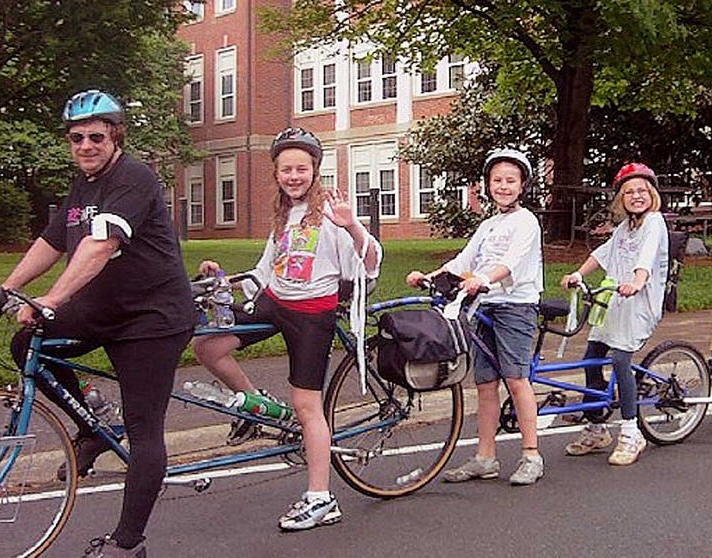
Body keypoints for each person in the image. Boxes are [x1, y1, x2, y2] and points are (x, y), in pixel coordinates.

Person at [0, 89, 195, 557]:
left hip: (152, 317)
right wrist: (7, 288)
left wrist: (53, 297)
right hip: (104, 308)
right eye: (76, 138)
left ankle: (127, 542)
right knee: (26, 346)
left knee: (144, 429)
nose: (85, 146)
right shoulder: (83, 184)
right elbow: (53, 240)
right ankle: (94, 427)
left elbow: (101, 245)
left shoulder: (133, 178)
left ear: (115, 136)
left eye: (95, 136)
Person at [192, 127, 381, 531]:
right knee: (207, 346)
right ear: (276, 174)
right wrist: (222, 278)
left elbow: (370, 263)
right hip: (275, 302)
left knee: (306, 406)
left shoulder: (332, 212)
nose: (293, 176)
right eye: (286, 169)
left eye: (301, 168)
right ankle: (254, 404)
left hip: (313, 314)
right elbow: (264, 274)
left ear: (315, 171)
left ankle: (320, 498)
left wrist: (352, 227)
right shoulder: (282, 215)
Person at [406, 148, 544, 486]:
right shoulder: (488, 224)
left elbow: (511, 261)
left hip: (515, 305)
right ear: (488, 185)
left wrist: (484, 279)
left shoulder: (526, 221)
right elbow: (464, 260)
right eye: (497, 180)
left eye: (511, 180)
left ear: (522, 185)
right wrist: (431, 275)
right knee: (484, 383)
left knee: (516, 379)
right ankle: (486, 457)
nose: (503, 186)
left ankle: (531, 455)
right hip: (482, 305)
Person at [561, 162, 668, 466]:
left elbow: (646, 256)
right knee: (592, 357)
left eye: (642, 191)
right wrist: (578, 274)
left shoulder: (654, 222)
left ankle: (632, 431)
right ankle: (597, 427)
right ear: (620, 198)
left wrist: (637, 281)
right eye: (629, 192)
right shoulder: (624, 228)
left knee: (621, 360)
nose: (636, 196)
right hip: (615, 302)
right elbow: (603, 253)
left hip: (639, 303)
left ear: (652, 194)